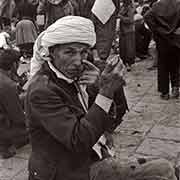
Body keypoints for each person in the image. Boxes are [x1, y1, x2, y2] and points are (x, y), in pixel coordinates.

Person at [25, 16, 177, 180]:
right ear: (52, 52)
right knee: (163, 172)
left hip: (92, 156)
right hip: (65, 171)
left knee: (164, 168)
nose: (78, 61)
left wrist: (99, 88)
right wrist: (105, 92)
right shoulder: (42, 90)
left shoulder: (79, 76)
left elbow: (112, 121)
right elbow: (79, 141)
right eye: (69, 52)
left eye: (83, 52)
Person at [144, 0, 180, 99]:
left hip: (162, 40)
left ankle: (164, 92)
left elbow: (147, 16)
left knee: (163, 65)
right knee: (175, 64)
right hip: (176, 39)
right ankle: (175, 87)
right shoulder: (178, 4)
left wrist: (156, 30)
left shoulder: (157, 5)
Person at [0, 48, 28, 159]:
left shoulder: (5, 79)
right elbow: (18, 117)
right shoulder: (7, 85)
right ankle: (5, 144)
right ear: (14, 64)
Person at [119, 0, 136, 71]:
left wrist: (121, 17)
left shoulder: (130, 7)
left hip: (128, 31)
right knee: (123, 48)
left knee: (129, 49)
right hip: (123, 31)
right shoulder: (123, 6)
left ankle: (128, 64)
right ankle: (124, 63)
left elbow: (130, 20)